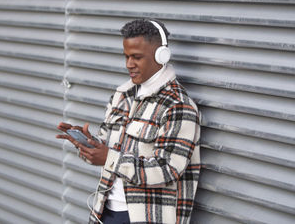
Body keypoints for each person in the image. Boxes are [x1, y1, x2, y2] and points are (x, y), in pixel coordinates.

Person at [57, 19, 201, 224]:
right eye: (126, 56)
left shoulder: (178, 106)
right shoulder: (122, 96)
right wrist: (88, 144)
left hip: (145, 217)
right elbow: (107, 150)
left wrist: (109, 158)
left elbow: (168, 169)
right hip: (105, 211)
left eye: (137, 57)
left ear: (161, 56)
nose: (129, 64)